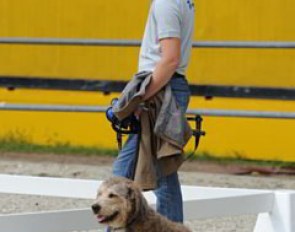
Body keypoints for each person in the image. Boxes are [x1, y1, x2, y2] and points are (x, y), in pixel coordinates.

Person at [112, 0, 195, 225]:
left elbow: (170, 59)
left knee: (121, 177)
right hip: (166, 87)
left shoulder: (166, 3)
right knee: (162, 172)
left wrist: (140, 98)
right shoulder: (182, 2)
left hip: (160, 90)